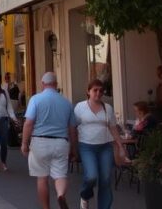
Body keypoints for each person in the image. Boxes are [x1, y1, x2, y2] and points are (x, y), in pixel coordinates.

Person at [20, 71, 78, 209]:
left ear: (43, 84)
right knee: (60, 175)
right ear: (56, 84)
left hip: (40, 143)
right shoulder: (67, 103)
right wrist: (74, 148)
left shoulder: (35, 99)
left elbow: (28, 123)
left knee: (42, 178)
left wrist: (24, 143)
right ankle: (60, 194)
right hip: (61, 142)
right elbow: (72, 129)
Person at [74, 79, 126, 209]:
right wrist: (72, 147)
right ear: (88, 91)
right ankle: (85, 195)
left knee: (106, 179)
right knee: (91, 176)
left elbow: (113, 128)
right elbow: (72, 127)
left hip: (105, 147)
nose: (98, 93)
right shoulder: (80, 107)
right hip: (86, 147)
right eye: (95, 90)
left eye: (101, 90)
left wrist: (120, 146)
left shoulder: (107, 108)